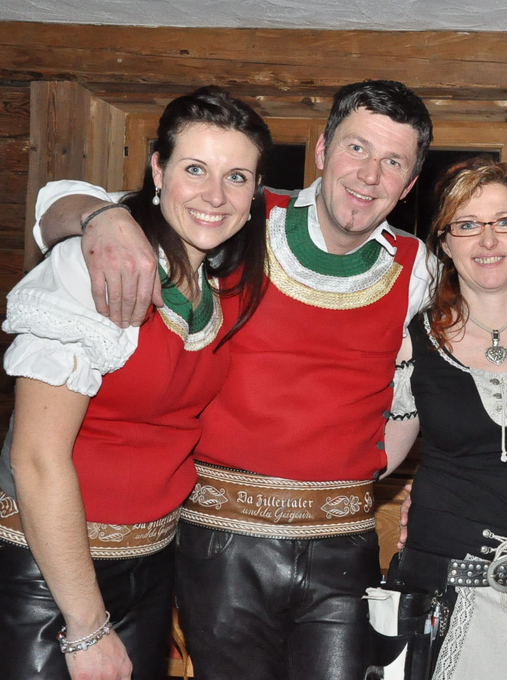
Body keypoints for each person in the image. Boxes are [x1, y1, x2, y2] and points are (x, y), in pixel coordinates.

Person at [30, 79, 435, 680]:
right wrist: (102, 217)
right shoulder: (233, 213)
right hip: (221, 541)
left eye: (393, 162)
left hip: (344, 545)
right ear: (323, 149)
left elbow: (470, 341)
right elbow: (54, 207)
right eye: (357, 148)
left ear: (409, 184)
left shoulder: (418, 266)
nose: (370, 175)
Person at [0, 86, 272, 680]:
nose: (215, 196)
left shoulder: (220, 285)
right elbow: (36, 458)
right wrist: (86, 626)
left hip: (151, 569)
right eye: (194, 169)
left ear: (256, 193)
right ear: (157, 171)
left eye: (237, 177)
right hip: (47, 577)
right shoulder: (98, 268)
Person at [383, 158, 507, 680]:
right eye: (467, 224)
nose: (488, 240)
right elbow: (380, 457)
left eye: (505, 221)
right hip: (441, 587)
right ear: (445, 243)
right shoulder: (414, 341)